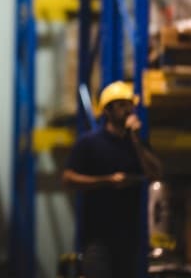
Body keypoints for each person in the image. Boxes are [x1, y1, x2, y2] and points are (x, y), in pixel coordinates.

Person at [62, 81, 164, 278]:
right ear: (107, 111)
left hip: (130, 238)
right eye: (121, 105)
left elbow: (156, 174)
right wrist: (107, 181)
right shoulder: (89, 143)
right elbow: (68, 179)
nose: (127, 110)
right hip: (97, 239)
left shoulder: (137, 144)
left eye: (129, 104)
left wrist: (135, 139)